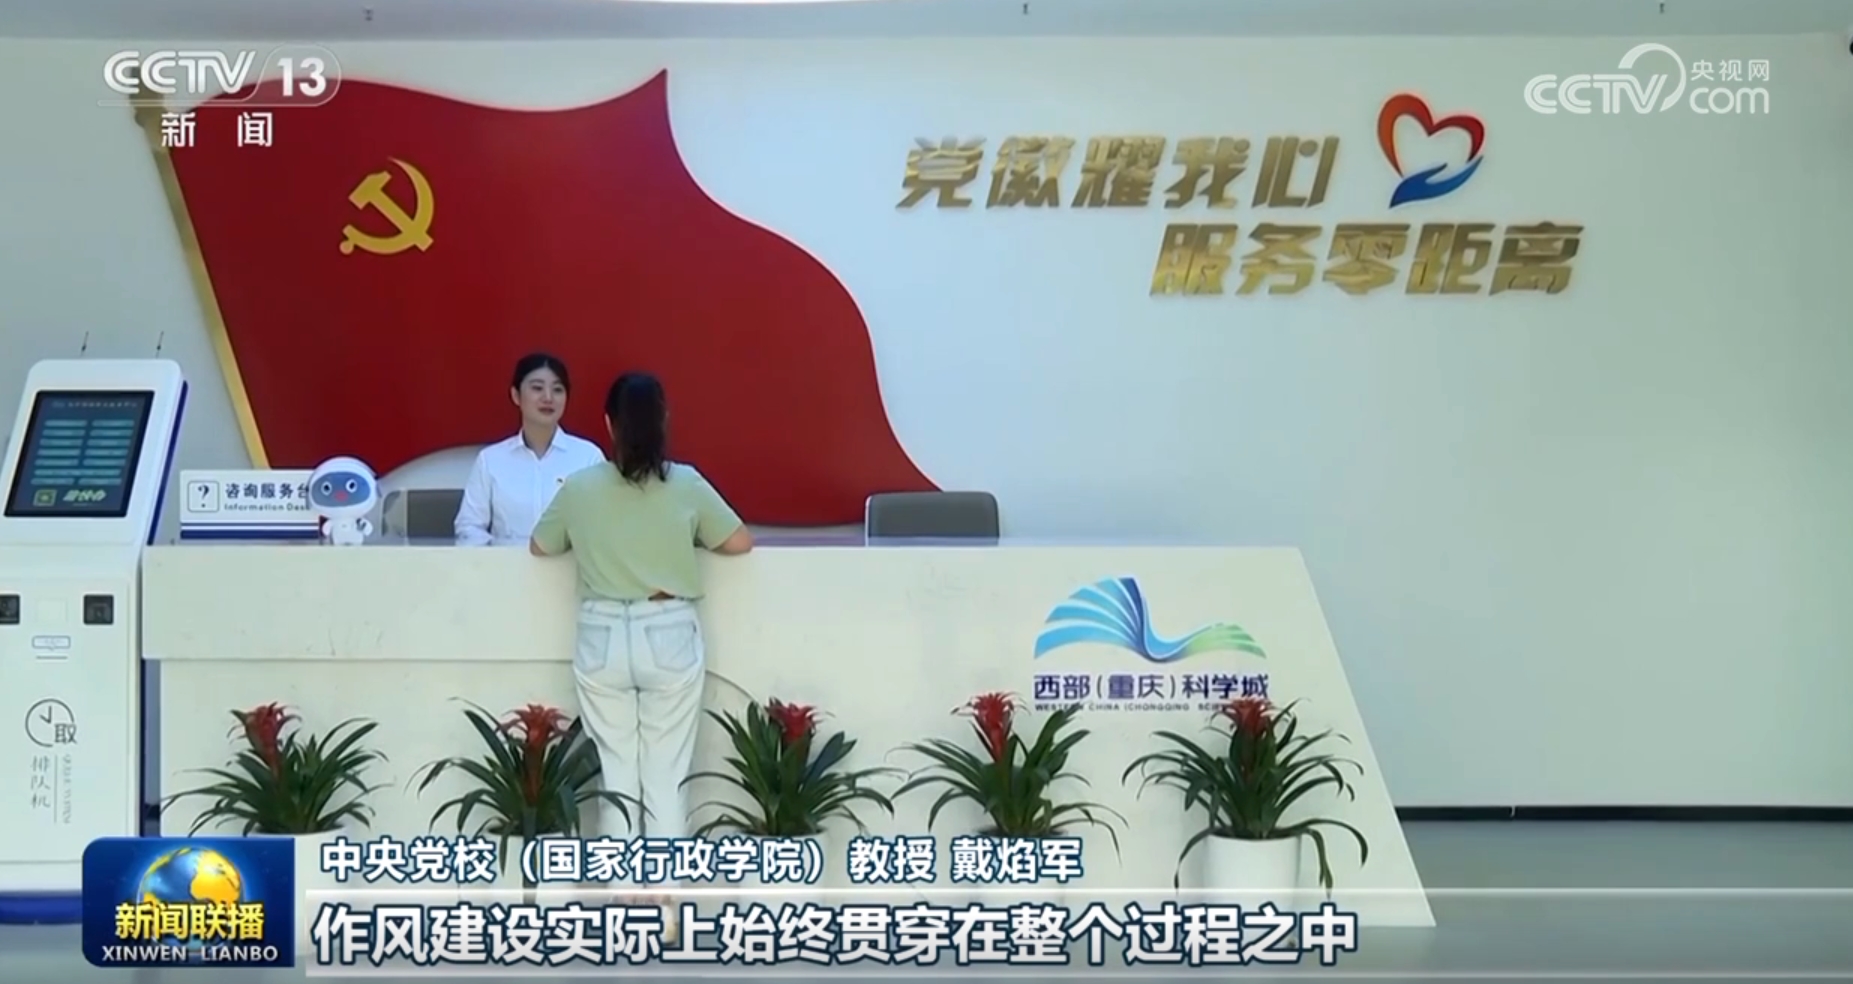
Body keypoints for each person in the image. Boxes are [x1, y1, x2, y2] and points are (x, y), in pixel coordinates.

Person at [528, 371, 753, 917]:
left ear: (609, 425)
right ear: (663, 421)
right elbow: (738, 541)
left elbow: (540, 546)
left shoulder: (579, 487)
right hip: (667, 629)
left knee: (616, 767)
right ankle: (666, 895)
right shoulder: (687, 484)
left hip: (601, 633)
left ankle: (623, 893)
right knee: (666, 770)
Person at [454, 353, 605, 546]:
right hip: (504, 565)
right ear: (516, 395)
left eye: (557, 390)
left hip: (568, 565)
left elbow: (603, 525)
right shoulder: (491, 461)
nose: (548, 398)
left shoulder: (588, 458)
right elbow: (469, 527)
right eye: (537, 388)